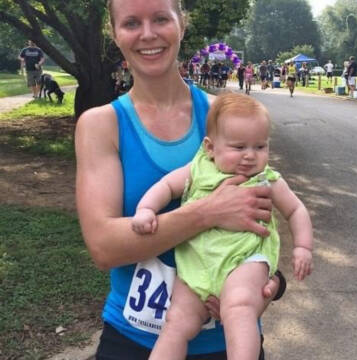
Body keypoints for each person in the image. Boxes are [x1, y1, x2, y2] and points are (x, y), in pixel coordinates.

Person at [75, 1, 284, 359]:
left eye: (160, 19)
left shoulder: (226, 116)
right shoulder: (101, 125)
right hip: (134, 341)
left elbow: (267, 208)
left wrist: (271, 284)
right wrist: (207, 212)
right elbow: (104, 247)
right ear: (115, 34)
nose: (148, 34)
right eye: (131, 23)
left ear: (181, 25)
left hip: (225, 342)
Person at [132, 92, 314, 360]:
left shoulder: (267, 179)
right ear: (210, 147)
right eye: (239, 147)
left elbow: (296, 209)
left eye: (260, 147)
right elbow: (166, 186)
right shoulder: (198, 169)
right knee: (176, 322)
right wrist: (146, 209)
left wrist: (303, 247)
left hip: (244, 260)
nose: (250, 156)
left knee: (239, 308)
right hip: (196, 266)